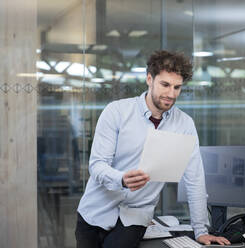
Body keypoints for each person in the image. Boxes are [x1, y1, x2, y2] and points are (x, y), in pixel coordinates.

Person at [75, 50, 230, 248]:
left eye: (177, 87)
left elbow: (195, 179)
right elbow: (97, 165)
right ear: (150, 79)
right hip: (95, 213)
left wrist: (200, 230)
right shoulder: (117, 112)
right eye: (165, 85)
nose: (171, 94)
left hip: (134, 216)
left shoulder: (184, 125)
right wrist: (121, 179)